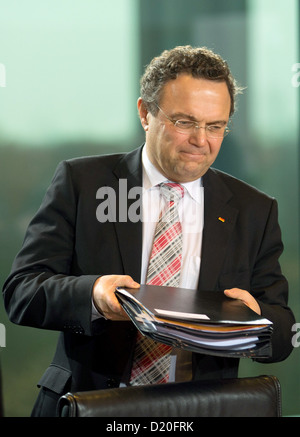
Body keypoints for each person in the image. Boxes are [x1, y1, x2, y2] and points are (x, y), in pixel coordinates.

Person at [2, 45, 295, 417]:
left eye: (215, 126)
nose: (201, 141)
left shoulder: (254, 209)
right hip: (89, 404)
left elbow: (282, 328)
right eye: (185, 122)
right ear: (145, 113)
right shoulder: (83, 184)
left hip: (196, 410)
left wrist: (258, 323)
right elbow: (22, 291)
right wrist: (93, 295)